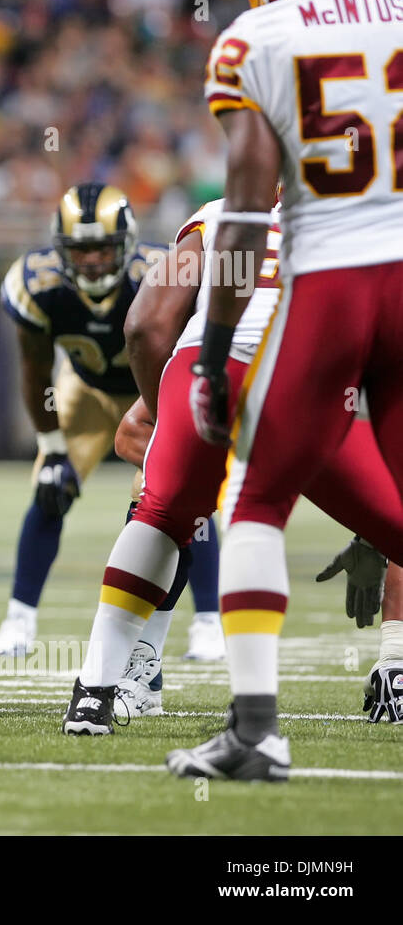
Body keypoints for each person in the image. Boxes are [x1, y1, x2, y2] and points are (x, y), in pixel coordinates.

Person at [168, 0, 403, 780]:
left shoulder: (257, 37)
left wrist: (215, 345)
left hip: (334, 280)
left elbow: (244, 204)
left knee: (256, 499)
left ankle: (257, 732)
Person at [63, 199, 403, 733]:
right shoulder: (368, 227)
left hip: (206, 371)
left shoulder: (218, 215)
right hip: (300, 385)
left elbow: (145, 327)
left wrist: (173, 416)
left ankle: (93, 690)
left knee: (161, 513)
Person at [0, 183, 225, 658]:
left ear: (127, 243)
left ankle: (208, 622)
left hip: (155, 396)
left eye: (102, 248)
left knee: (183, 497)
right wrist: (54, 447)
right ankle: (19, 618)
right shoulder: (37, 283)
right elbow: (35, 370)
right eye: (81, 250)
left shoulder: (163, 269)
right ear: (61, 249)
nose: (93, 261)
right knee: (50, 487)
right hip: (85, 392)